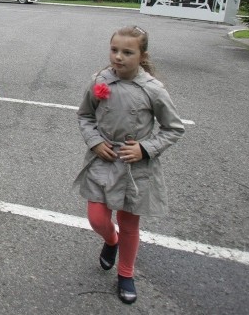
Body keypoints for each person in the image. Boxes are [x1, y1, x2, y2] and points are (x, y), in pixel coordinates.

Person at [74, 25, 185, 304]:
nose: (119, 57)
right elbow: (85, 116)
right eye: (114, 50)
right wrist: (95, 141)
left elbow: (173, 128)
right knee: (97, 218)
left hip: (134, 167)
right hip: (103, 158)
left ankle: (126, 273)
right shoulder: (100, 81)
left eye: (127, 52)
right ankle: (111, 241)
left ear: (142, 55)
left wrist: (146, 149)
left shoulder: (153, 90)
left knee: (129, 222)